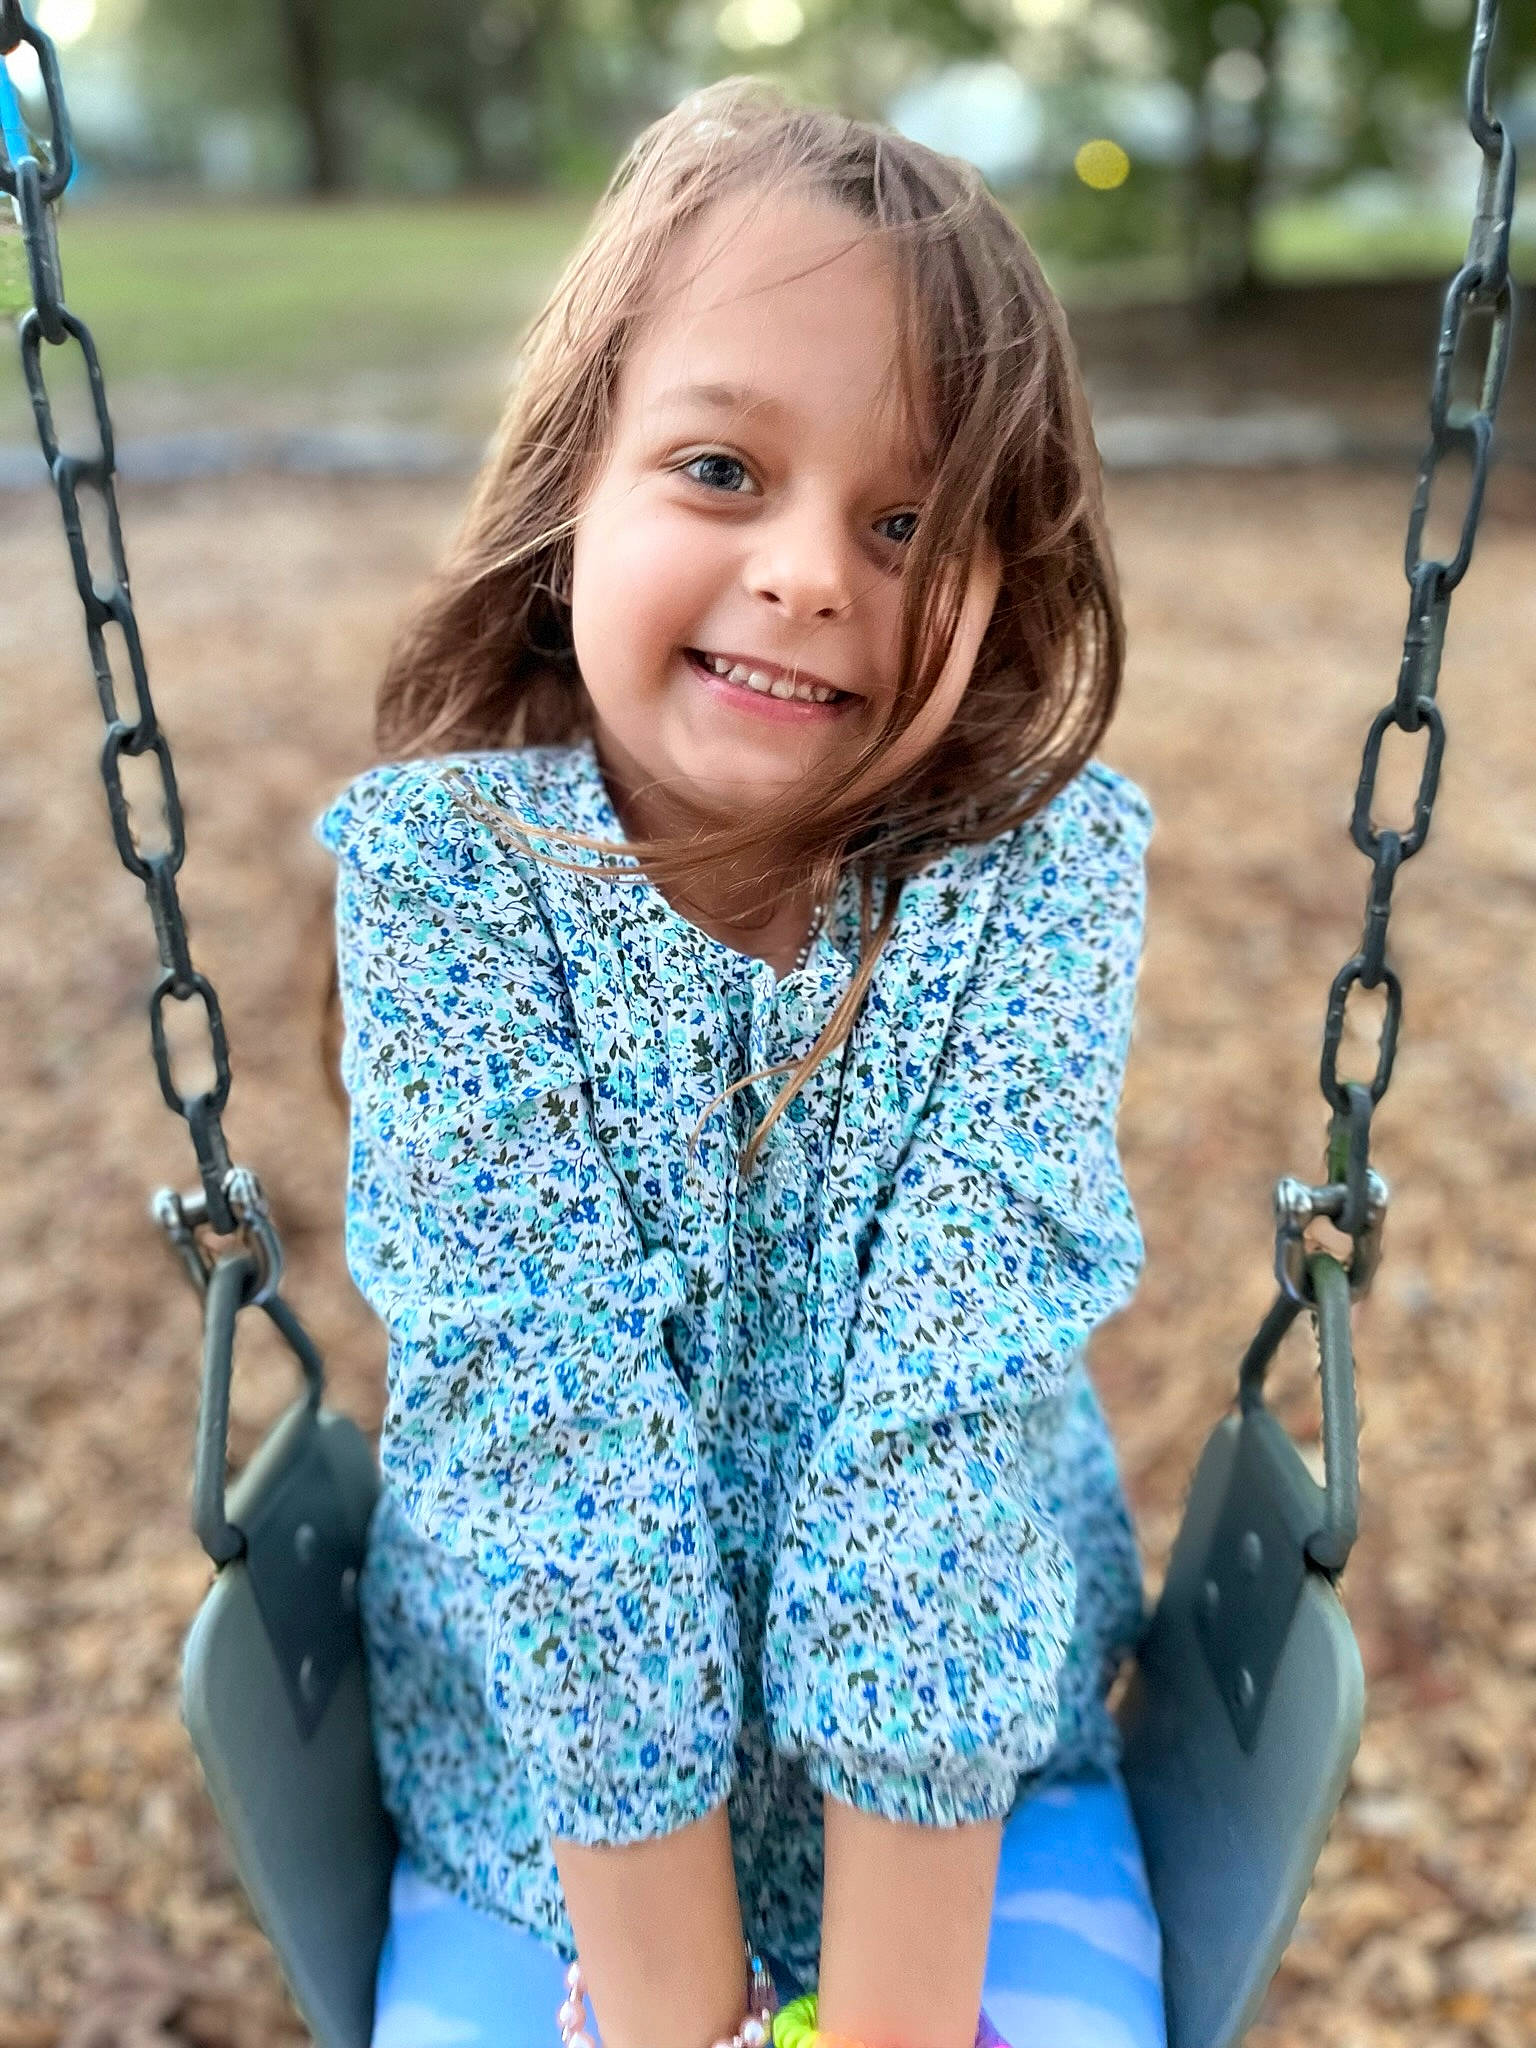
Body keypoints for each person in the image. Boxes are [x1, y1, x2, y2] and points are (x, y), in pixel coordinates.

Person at [315, 76, 1165, 2048]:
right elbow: (548, 1442)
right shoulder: (451, 876)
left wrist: (888, 2030)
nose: (807, 570)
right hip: (542, 1832)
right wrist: (679, 2020)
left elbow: (950, 1438)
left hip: (982, 1811)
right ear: (570, 496)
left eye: (905, 520)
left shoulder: (1025, 881)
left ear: (1001, 586)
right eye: (720, 470)